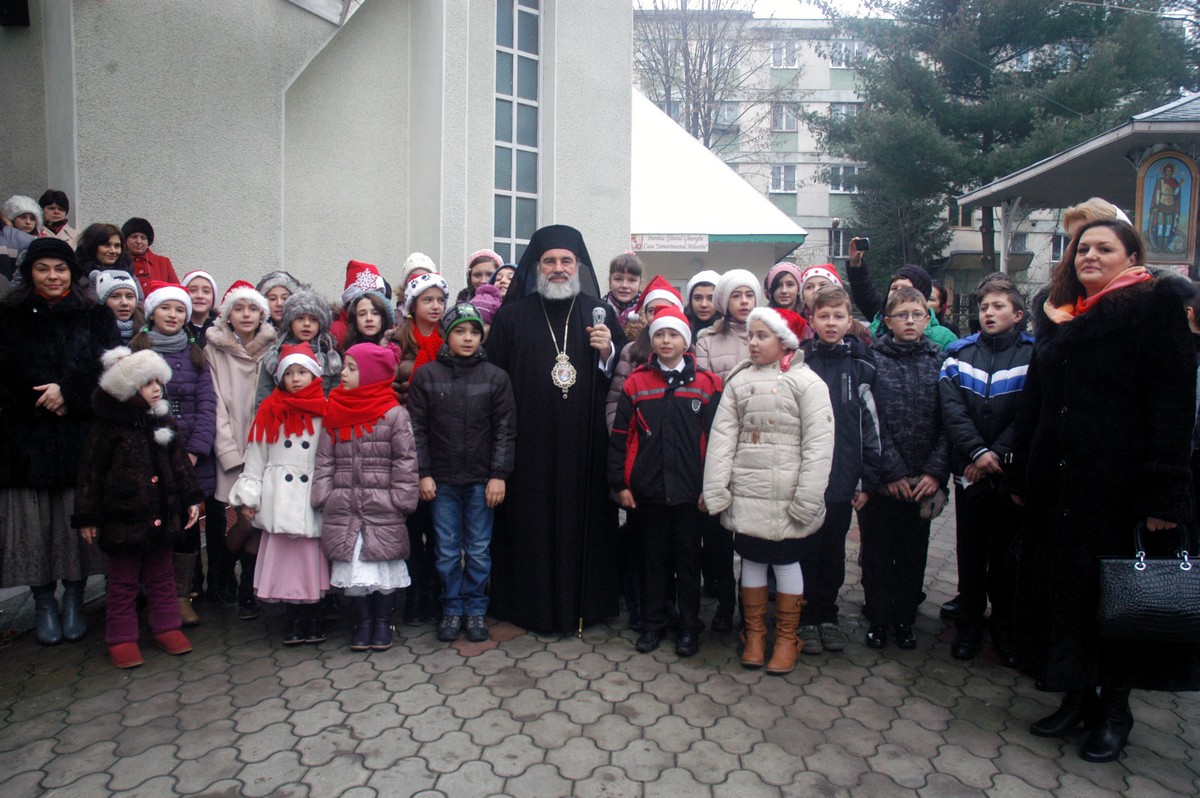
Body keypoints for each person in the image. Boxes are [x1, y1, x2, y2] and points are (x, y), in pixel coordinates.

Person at [1010, 219, 1199, 762]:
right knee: (1068, 594)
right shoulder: (1060, 314)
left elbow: (1172, 404)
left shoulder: (1152, 307)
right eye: (1082, 248)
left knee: (1114, 598)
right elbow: (1036, 400)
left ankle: (1114, 712)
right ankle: (1076, 694)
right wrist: (1024, 471)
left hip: (1115, 485)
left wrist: (1165, 494)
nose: (1089, 255)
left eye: (1104, 248)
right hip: (1060, 482)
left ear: (1132, 255)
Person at [484, 224, 626, 634]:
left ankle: (588, 604)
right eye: (550, 261)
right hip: (530, 444)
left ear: (578, 265)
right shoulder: (512, 317)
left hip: (585, 445)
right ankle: (530, 606)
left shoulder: (598, 314)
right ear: (537, 267)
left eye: (566, 261)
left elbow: (617, 381)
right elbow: (496, 382)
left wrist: (607, 352)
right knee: (531, 521)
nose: (559, 268)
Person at [0, 238, 120, 645]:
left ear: (73, 272)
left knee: (76, 525)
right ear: (30, 273)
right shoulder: (9, 315)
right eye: (43, 269)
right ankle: (42, 602)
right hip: (25, 441)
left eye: (60, 268)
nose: (52, 276)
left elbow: (110, 367)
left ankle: (73, 598)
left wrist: (69, 391)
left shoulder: (95, 316)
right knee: (35, 529)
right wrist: (40, 397)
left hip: (78, 438)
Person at [703, 306, 834, 674]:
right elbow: (723, 439)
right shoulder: (739, 383)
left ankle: (787, 637)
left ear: (785, 341)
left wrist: (808, 497)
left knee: (788, 561)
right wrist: (716, 488)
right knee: (753, 560)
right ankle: (756, 635)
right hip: (748, 493)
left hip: (790, 495)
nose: (754, 343)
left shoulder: (808, 383)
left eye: (762, 336)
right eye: (751, 336)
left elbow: (820, 445)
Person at [74, 347, 202, 668]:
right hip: (123, 521)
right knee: (123, 582)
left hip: (161, 515)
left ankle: (166, 627)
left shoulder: (163, 420)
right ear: (129, 388)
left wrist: (190, 499)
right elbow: (90, 472)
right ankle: (121, 637)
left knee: (162, 576)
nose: (156, 388)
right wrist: (87, 516)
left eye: (158, 381)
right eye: (147, 383)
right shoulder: (108, 429)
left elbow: (180, 464)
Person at [610, 305, 722, 657]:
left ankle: (689, 627)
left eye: (674, 334)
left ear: (686, 341)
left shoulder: (706, 384)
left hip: (691, 494)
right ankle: (654, 624)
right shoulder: (636, 382)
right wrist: (621, 484)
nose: (666, 340)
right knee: (652, 563)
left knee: (688, 565)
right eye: (659, 334)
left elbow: (718, 440)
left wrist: (711, 487)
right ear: (651, 340)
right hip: (649, 494)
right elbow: (619, 437)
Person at [937, 273, 1032, 666]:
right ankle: (970, 625)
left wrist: (999, 454)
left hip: (1009, 476)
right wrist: (976, 452)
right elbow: (952, 409)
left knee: (1004, 558)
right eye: (984, 307)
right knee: (971, 554)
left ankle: (1004, 628)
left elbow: (1030, 411)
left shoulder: (1034, 355)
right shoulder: (960, 353)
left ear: (1018, 314)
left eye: (998, 307)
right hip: (971, 472)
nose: (989, 313)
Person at [408, 302, 516, 644]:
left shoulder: (496, 377)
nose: (468, 338)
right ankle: (452, 608)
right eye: (459, 331)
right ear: (447, 335)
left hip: (481, 481)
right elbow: (417, 430)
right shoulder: (427, 376)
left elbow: (505, 429)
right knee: (447, 550)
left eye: (474, 332)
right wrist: (423, 473)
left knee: (480, 549)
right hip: (441, 481)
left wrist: (498, 474)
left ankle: (475, 609)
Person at [859, 286, 950, 651]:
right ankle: (879, 619)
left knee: (913, 555)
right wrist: (891, 472)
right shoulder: (873, 360)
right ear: (888, 321)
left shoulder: (940, 360)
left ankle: (904, 619)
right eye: (902, 315)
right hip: (885, 480)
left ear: (928, 319)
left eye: (917, 314)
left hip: (924, 480)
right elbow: (870, 419)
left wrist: (934, 472)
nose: (910, 321)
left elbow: (950, 422)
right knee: (878, 553)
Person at [314, 342, 418, 652]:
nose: (342, 374)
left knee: (383, 565)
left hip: (382, 505)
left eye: (351, 368)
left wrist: (401, 499)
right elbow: (324, 458)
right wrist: (324, 494)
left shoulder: (394, 414)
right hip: (344, 504)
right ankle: (362, 622)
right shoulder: (335, 408)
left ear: (371, 374)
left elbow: (406, 460)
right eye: (344, 367)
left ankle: (383, 621)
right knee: (354, 568)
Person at [798, 285, 881, 655]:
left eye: (838, 316)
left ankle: (826, 615)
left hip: (843, 479)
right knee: (804, 550)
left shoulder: (862, 366)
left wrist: (865, 480)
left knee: (832, 551)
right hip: (803, 480)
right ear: (812, 320)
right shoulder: (798, 362)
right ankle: (802, 617)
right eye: (824, 316)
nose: (831, 323)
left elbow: (870, 426)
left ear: (850, 320)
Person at [229, 342, 329, 645]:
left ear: (315, 375)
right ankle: (292, 620)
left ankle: (313, 618)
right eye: (290, 373)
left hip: (309, 499)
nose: (296, 378)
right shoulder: (269, 410)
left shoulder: (325, 411)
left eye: (302, 372)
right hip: (279, 500)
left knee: (310, 565)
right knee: (286, 566)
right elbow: (256, 456)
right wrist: (249, 496)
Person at [130, 282, 217, 626]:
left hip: (191, 453)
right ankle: (152, 594)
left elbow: (208, 403)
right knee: (153, 521)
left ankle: (182, 595)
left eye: (179, 309)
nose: (173, 315)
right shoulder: (137, 350)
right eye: (166, 308)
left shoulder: (196, 354)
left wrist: (195, 450)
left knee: (187, 524)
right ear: (152, 312)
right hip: (150, 452)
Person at [693, 268, 761, 628]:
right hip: (717, 436)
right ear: (725, 301)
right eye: (737, 295)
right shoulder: (706, 338)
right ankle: (722, 601)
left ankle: (751, 606)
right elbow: (706, 383)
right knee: (718, 529)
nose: (744, 302)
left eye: (749, 295)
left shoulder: (766, 334)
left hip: (757, 440)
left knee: (750, 531)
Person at [206, 282, 277, 607]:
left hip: (266, 449)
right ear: (228, 314)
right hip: (232, 449)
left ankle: (249, 583)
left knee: (258, 518)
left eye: (252, 308)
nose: (246, 315)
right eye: (239, 308)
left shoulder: (273, 348)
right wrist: (229, 453)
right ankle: (222, 577)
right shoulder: (214, 350)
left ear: (262, 314)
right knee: (234, 518)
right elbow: (215, 405)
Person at [391, 271, 450, 625]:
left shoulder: (449, 340)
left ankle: (435, 591)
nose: (435, 306)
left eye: (440, 300)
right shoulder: (397, 343)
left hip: (440, 443)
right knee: (411, 525)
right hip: (404, 441)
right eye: (427, 300)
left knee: (437, 525)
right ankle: (412, 594)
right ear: (412, 306)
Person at [845, 242, 957, 349]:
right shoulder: (877, 327)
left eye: (905, 288)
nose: (897, 292)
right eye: (894, 288)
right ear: (889, 322)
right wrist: (855, 264)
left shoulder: (944, 339)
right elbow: (865, 294)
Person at [255, 290, 342, 408]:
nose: (306, 324)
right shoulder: (276, 355)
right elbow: (264, 395)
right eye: (300, 318)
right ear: (290, 322)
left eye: (313, 319)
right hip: (285, 421)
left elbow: (336, 396)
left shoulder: (329, 356)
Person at [331, 260, 389, 347]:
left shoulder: (388, 334)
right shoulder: (338, 330)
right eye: (362, 313)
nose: (369, 318)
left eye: (375, 313)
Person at [122, 217, 179, 292]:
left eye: (143, 238)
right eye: (134, 237)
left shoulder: (163, 262)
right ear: (125, 239)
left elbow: (177, 292)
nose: (139, 241)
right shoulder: (120, 262)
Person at [92, 269, 144, 345]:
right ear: (102, 301)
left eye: (129, 297)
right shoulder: (91, 333)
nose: (124, 303)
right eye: (115, 296)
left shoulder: (150, 329)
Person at [603, 252, 644, 330]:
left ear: (640, 284)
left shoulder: (648, 313)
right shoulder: (599, 310)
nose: (624, 285)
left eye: (632, 280)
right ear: (610, 282)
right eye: (618, 279)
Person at [182, 270, 220, 347]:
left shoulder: (223, 328)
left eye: (206, 291)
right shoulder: (176, 327)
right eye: (192, 290)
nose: (200, 296)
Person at [684, 269, 721, 337]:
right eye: (698, 298)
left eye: (711, 299)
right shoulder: (680, 327)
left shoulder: (731, 330)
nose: (704, 304)